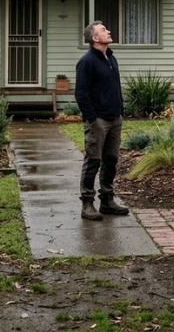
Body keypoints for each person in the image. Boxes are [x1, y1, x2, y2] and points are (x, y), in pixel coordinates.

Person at [74, 20, 130, 221]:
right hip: (98, 121)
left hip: (115, 118)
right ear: (94, 38)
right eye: (104, 30)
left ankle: (107, 200)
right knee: (93, 161)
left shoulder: (111, 58)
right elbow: (81, 93)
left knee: (111, 160)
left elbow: (114, 87)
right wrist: (92, 118)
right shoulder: (87, 61)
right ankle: (87, 203)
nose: (109, 31)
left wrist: (120, 111)